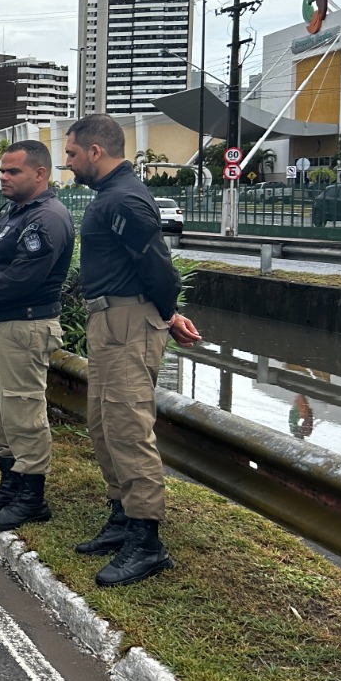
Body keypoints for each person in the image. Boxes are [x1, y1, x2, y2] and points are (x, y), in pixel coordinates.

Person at [63, 114, 201, 586]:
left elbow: (158, 266)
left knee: (127, 425)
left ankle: (147, 541)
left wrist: (165, 313)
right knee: (103, 423)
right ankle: (122, 517)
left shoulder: (123, 198)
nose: (68, 163)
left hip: (128, 321)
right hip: (109, 319)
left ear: (96, 152)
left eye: (72, 154)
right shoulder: (111, 196)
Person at [0, 141, 75, 531]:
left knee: (23, 414)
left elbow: (26, 275)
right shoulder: (15, 213)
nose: (4, 178)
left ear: (40, 174)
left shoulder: (48, 218)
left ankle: (31, 497)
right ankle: (9, 485)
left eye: (13, 172)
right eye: (2, 171)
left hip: (25, 327)